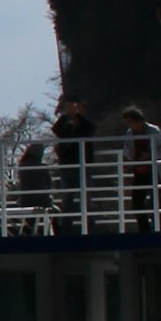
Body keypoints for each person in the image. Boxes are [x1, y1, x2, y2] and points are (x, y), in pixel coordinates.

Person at [49, 97, 90, 234]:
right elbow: (56, 130)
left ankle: (89, 230)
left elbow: (88, 130)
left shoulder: (86, 124)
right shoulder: (65, 125)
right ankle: (66, 231)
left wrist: (77, 114)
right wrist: (66, 115)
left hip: (83, 166)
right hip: (67, 166)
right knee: (67, 201)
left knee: (86, 201)